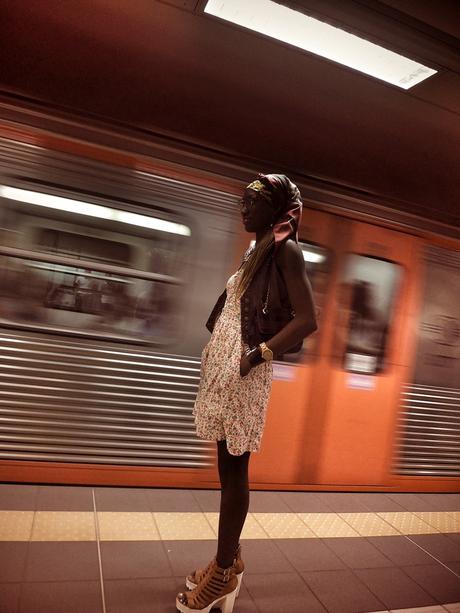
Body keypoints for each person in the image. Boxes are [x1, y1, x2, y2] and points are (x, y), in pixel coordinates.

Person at [175, 174, 318, 613]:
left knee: (234, 471)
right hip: (227, 369)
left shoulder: (286, 250)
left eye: (251, 202)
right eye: (242, 200)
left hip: (244, 373)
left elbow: (307, 319)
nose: (243, 208)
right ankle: (230, 562)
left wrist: (257, 356)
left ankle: (221, 575)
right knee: (227, 469)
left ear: (274, 209)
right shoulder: (256, 250)